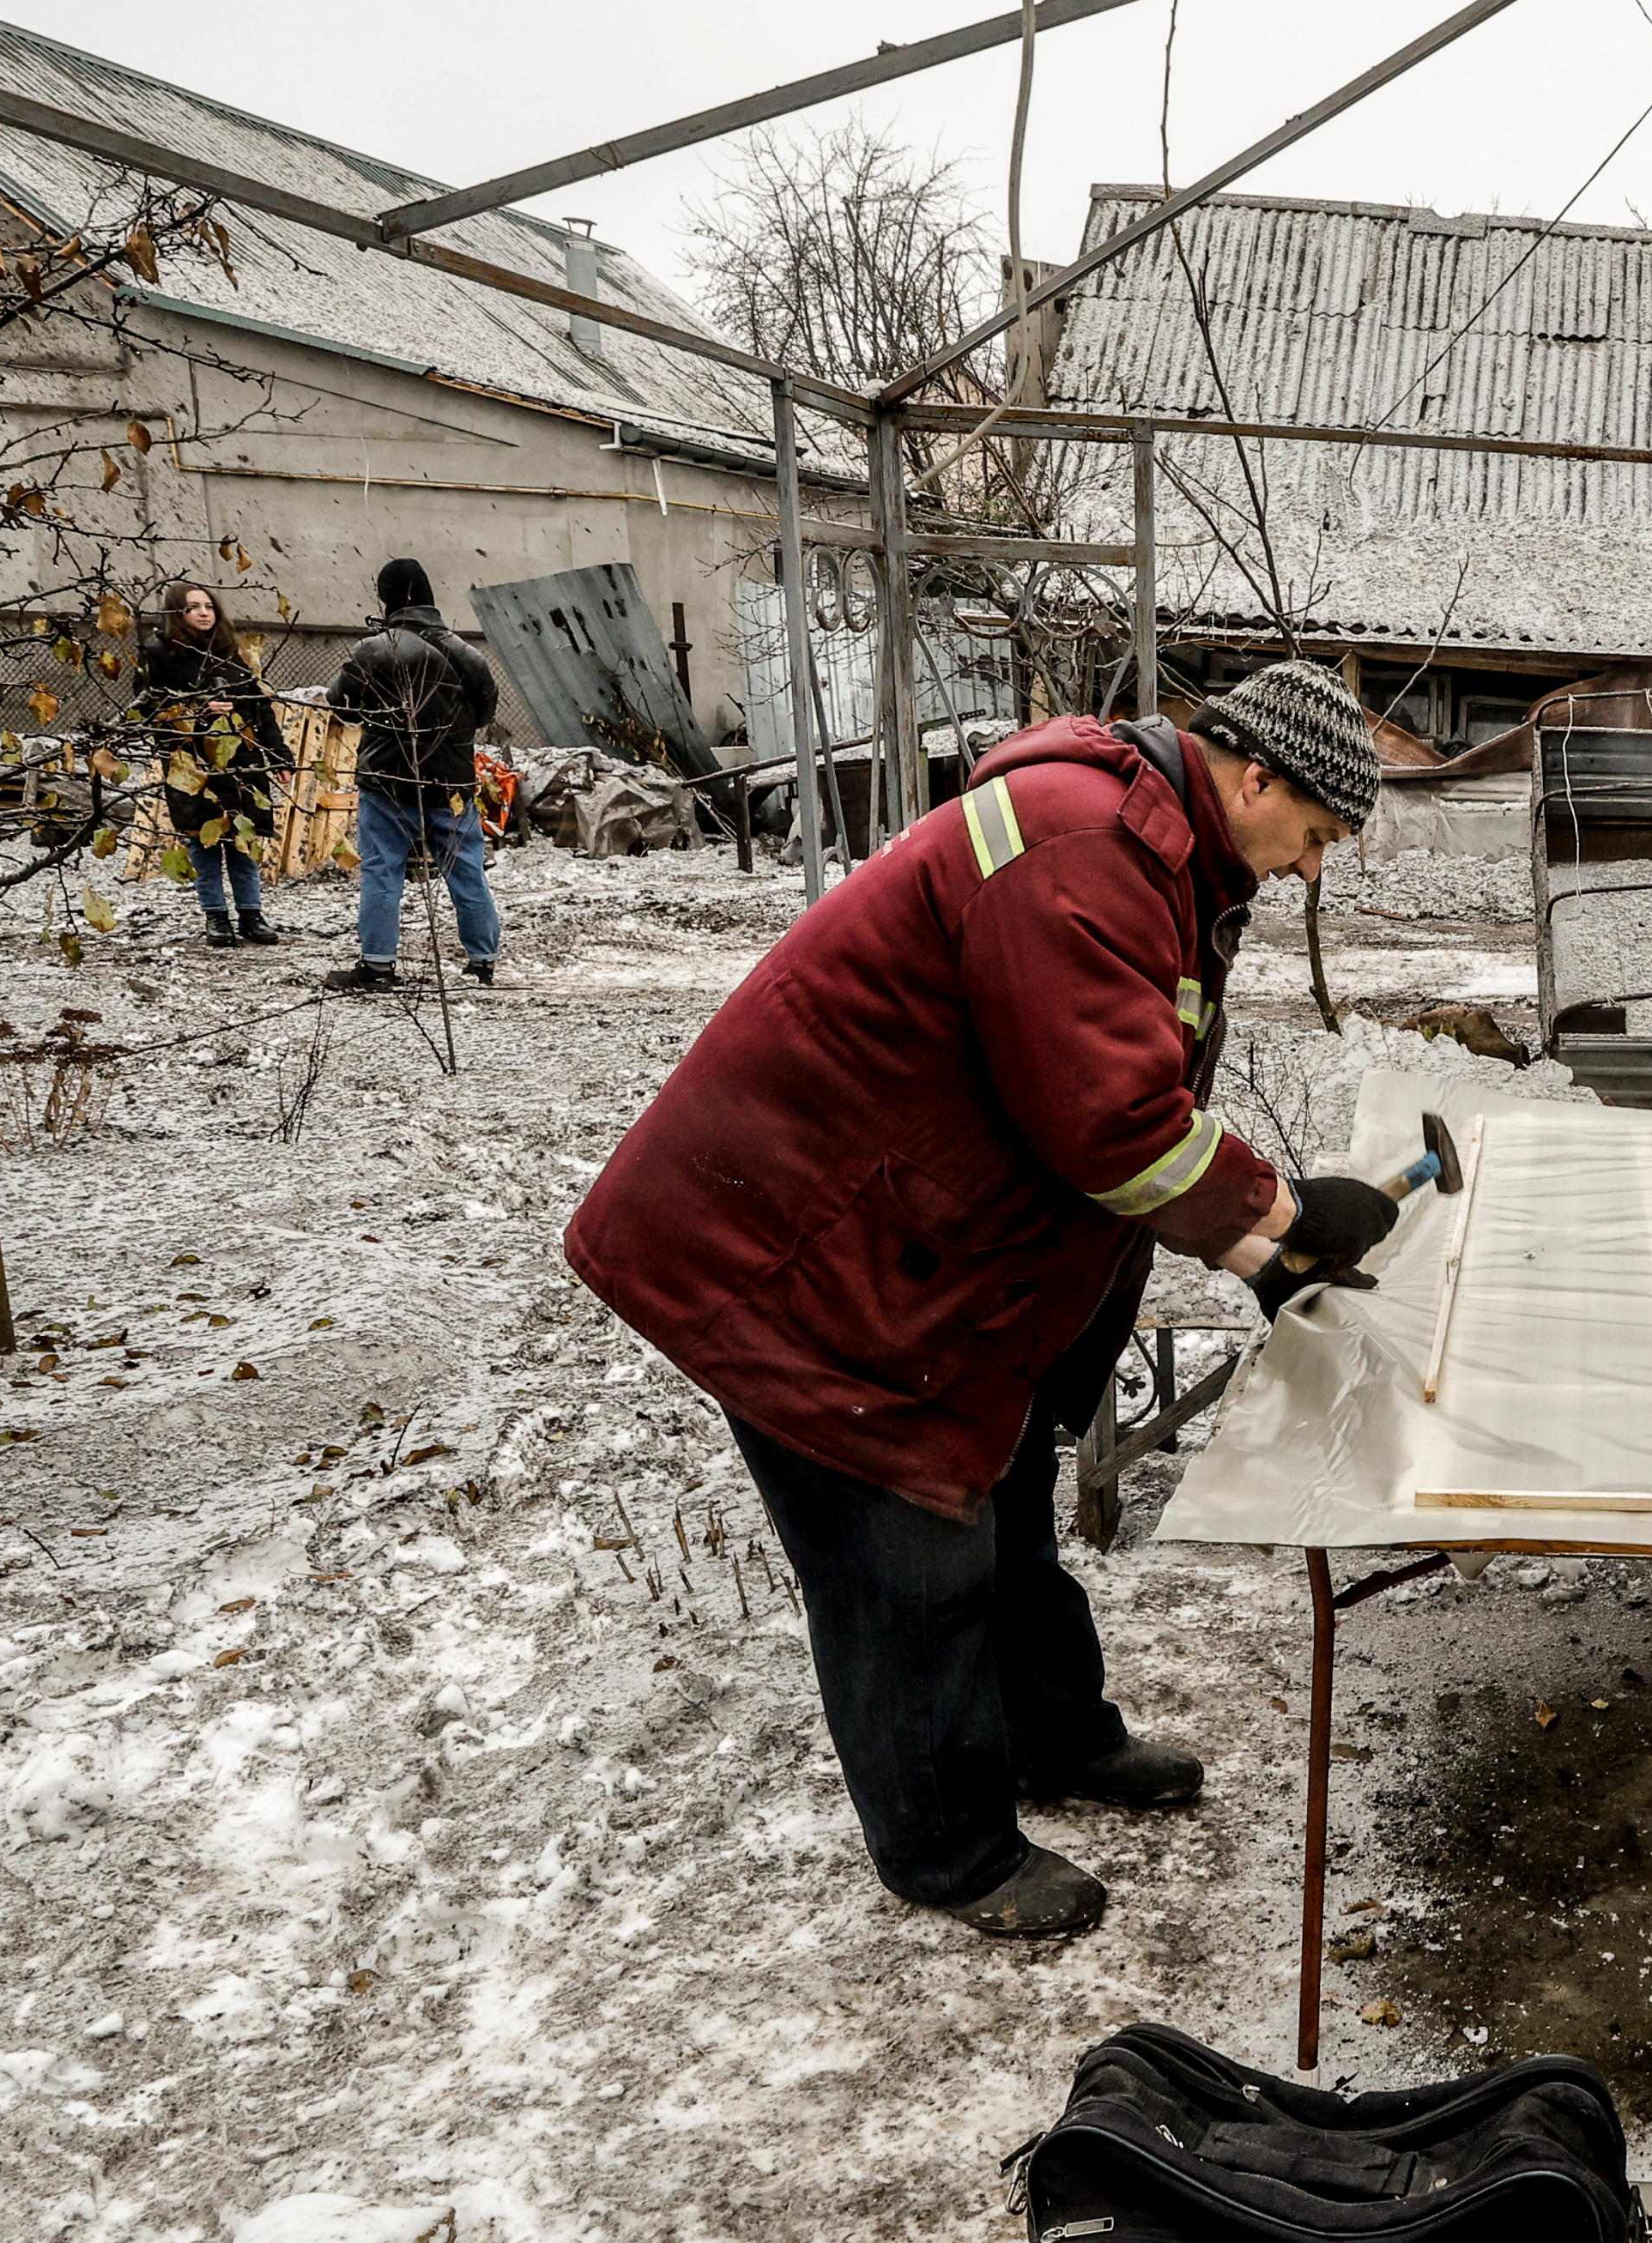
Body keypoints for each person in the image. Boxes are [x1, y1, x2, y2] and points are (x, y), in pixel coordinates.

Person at [566, 660, 1401, 1941]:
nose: (1309, 869)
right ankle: (949, 1852)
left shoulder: (1159, 856)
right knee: (909, 1560)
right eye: (1317, 834)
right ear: (1256, 776)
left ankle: (1053, 1740)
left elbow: (1101, 1102)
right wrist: (1280, 1216)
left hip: (911, 1236)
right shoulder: (1084, 848)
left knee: (1005, 1498)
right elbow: (1113, 1126)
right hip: (802, 1251)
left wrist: (1254, 1259)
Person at [323, 557, 504, 992]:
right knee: (467, 869)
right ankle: (482, 962)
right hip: (452, 783)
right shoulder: (468, 654)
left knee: (383, 869)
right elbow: (482, 714)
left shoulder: (373, 648)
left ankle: (378, 966)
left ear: (386, 598)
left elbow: (340, 705)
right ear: (427, 596)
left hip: (387, 781)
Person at [136, 583, 292, 946]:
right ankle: (216, 917)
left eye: (209, 606)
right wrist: (198, 713)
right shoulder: (159, 655)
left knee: (243, 837)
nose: (204, 613)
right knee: (203, 842)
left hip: (242, 760)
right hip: (193, 765)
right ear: (177, 613)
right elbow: (148, 709)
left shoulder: (229, 653)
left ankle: (252, 915)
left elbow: (260, 707)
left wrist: (278, 753)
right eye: (194, 607)